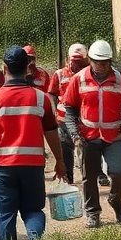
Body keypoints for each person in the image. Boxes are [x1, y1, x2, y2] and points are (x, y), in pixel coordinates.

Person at [0, 46, 67, 240]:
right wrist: (60, 161)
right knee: (33, 210)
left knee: (5, 214)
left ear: (4, 68)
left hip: (4, 168)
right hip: (33, 167)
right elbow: (52, 132)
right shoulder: (40, 98)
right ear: (27, 67)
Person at [63, 39, 121, 228]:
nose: (101, 66)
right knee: (89, 177)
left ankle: (116, 200)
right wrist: (75, 134)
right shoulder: (78, 79)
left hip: (114, 136)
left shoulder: (120, 80)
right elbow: (69, 108)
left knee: (119, 173)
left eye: (105, 62)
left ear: (110, 61)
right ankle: (93, 213)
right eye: (97, 62)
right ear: (90, 60)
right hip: (88, 137)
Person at [47, 43, 88, 184]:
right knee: (66, 149)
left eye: (79, 61)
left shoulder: (88, 74)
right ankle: (68, 178)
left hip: (83, 120)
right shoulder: (59, 74)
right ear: (68, 59)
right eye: (74, 60)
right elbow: (51, 94)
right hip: (63, 119)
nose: (76, 64)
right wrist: (53, 111)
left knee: (84, 149)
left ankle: (88, 177)